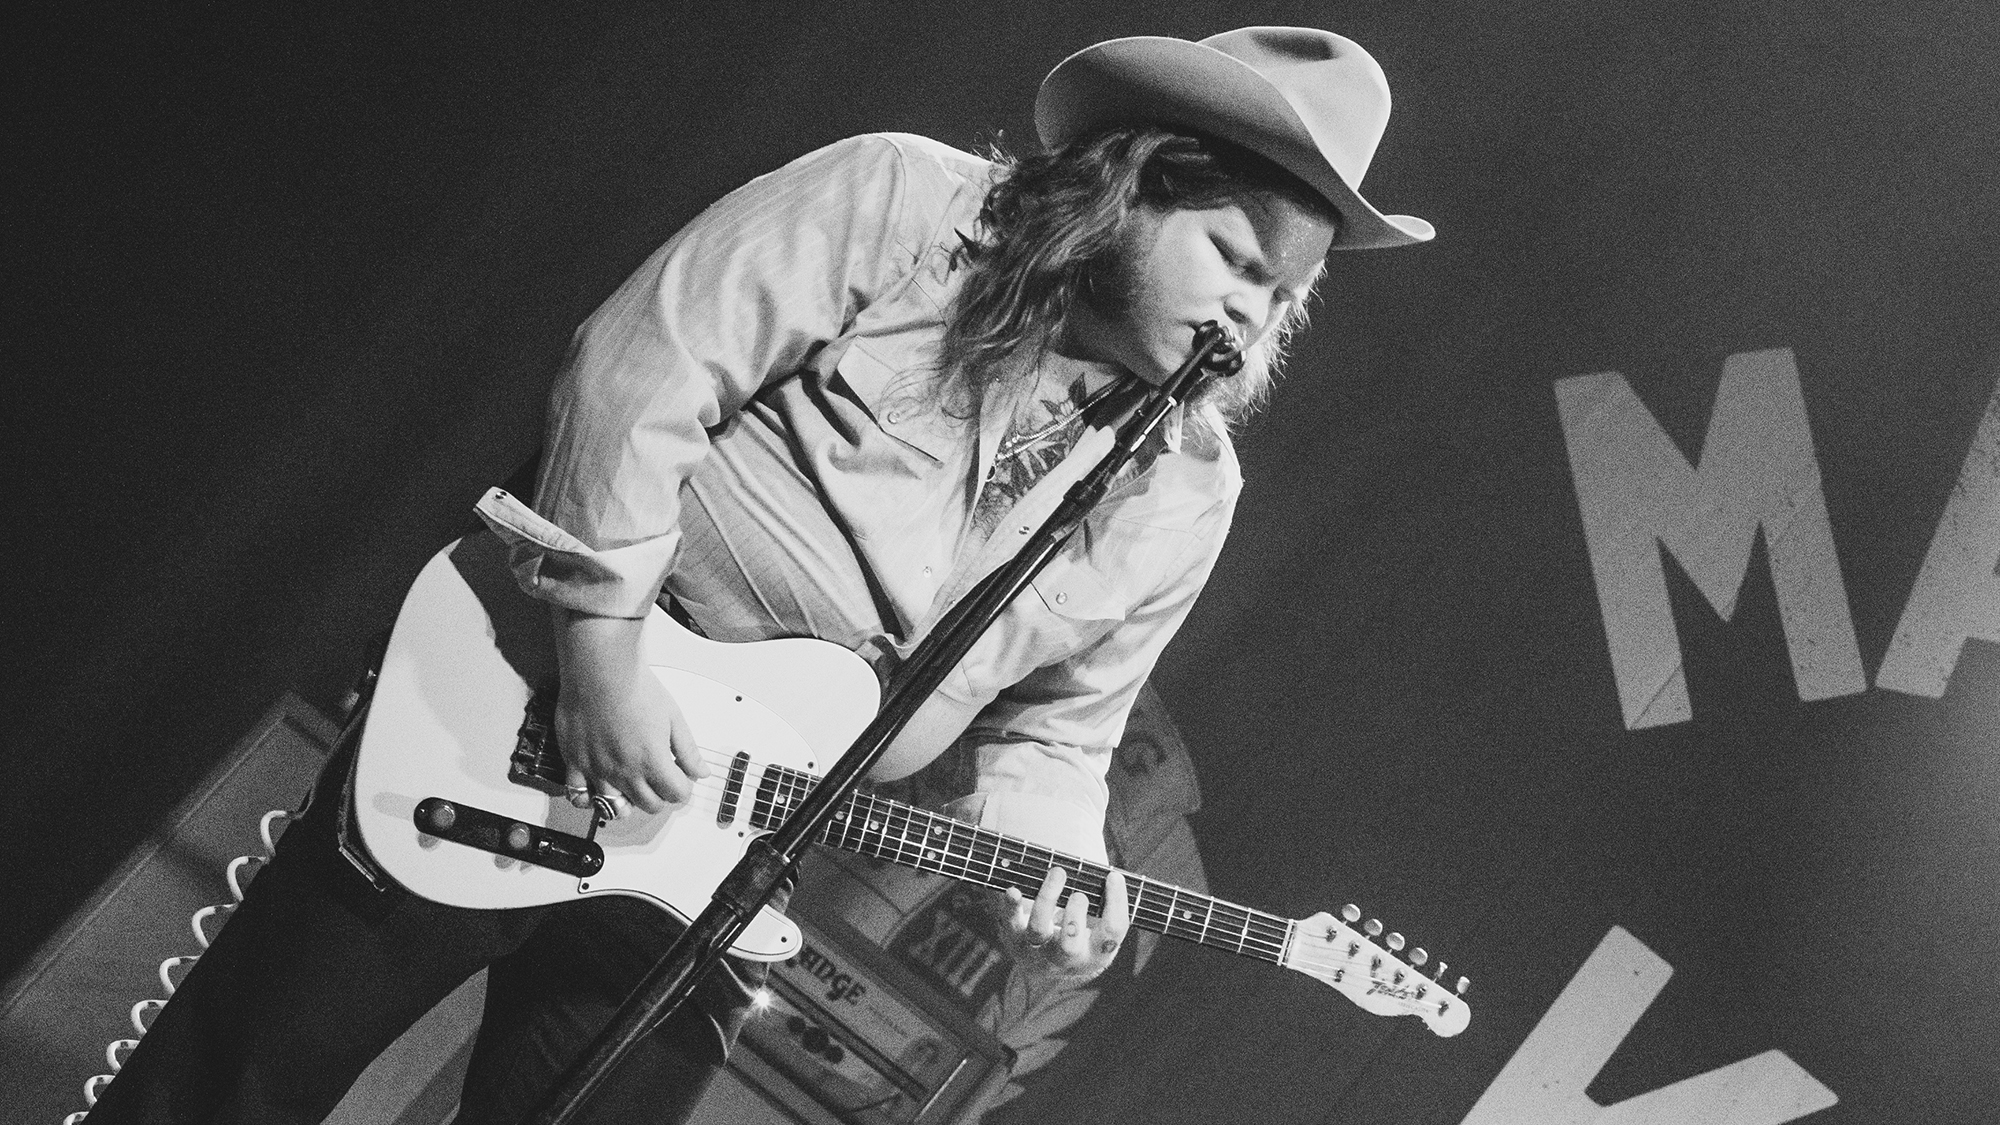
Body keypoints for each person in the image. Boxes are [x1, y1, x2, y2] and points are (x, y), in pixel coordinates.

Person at [85, 26, 1432, 1125]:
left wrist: (1057, 871)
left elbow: (1060, 740)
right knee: (229, 1088)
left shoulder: (1187, 492)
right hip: (528, 711)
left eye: (1282, 297)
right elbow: (638, 375)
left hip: (729, 854)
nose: (1250, 314)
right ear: (1139, 182)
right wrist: (603, 661)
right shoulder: (904, 204)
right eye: (1236, 260)